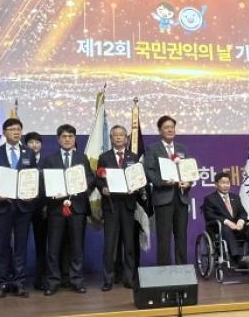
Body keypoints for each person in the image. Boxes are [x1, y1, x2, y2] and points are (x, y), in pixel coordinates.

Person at [0, 118, 37, 299]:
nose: (16, 132)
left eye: (19, 129)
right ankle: (3, 282)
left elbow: (33, 176)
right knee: (3, 246)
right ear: (4, 132)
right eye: (12, 129)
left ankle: (19, 282)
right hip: (2, 205)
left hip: (23, 206)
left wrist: (32, 192)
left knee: (21, 246)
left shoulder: (28, 152)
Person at [41, 124, 94, 295]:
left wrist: (81, 186)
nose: (67, 139)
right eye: (64, 136)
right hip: (56, 209)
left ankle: (76, 280)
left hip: (77, 208)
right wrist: (51, 193)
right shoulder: (49, 159)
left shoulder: (82, 158)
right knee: (53, 248)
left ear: (75, 139)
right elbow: (43, 182)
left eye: (70, 136)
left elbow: (90, 179)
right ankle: (53, 281)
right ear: (58, 139)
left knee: (77, 247)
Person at [96, 125, 139, 291]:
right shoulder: (104, 157)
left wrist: (135, 186)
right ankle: (108, 279)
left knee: (129, 244)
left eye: (122, 135)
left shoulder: (133, 157)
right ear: (111, 138)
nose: (119, 137)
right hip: (111, 205)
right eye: (116, 135)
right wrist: (103, 188)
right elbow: (98, 179)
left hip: (128, 205)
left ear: (126, 138)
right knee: (110, 244)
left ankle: (129, 278)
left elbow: (138, 178)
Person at [144, 115, 191, 265]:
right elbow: (148, 170)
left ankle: (182, 269)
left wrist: (188, 182)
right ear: (160, 130)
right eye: (166, 127)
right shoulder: (153, 149)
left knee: (181, 236)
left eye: (172, 127)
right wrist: (161, 182)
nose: (170, 130)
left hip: (181, 197)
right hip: (163, 197)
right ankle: (164, 270)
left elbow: (189, 171)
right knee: (164, 237)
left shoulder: (183, 149)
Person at [202, 172, 249, 269]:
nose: (226, 185)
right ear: (216, 184)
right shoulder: (210, 199)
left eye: (228, 183)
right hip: (220, 229)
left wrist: (241, 221)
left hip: (237, 228)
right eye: (223, 183)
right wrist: (226, 221)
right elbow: (209, 215)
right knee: (226, 228)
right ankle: (237, 258)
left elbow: (243, 212)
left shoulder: (235, 197)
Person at [25, 131, 48, 290]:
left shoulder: (48, 161)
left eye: (37, 142)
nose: (34, 145)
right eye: (31, 142)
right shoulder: (21, 160)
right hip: (23, 207)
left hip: (41, 208)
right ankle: (17, 279)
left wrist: (46, 205)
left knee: (41, 244)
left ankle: (41, 278)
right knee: (19, 244)